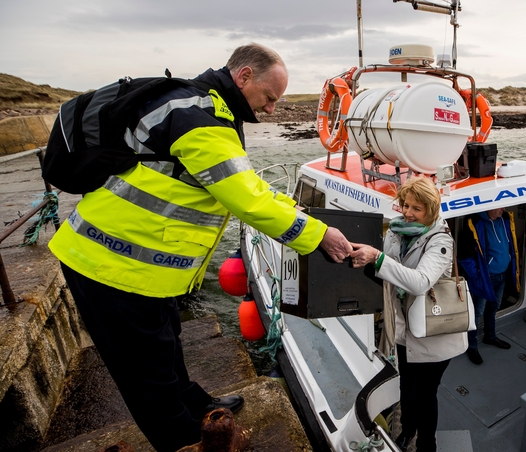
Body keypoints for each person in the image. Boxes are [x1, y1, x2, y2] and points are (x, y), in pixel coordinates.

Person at [48, 44, 352, 451]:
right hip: (109, 263)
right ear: (244, 77)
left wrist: (293, 210)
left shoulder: (207, 109)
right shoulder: (200, 117)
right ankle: (184, 438)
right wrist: (318, 235)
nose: (272, 110)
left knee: (168, 346)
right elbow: (246, 198)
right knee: (146, 373)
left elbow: (246, 184)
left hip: (145, 265)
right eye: (269, 97)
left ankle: (196, 404)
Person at [351, 176, 467, 452]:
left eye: (417, 208)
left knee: (426, 394)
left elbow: (419, 282)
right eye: (405, 205)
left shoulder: (440, 240)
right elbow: (389, 273)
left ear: (431, 210)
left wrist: (377, 259)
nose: (408, 212)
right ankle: (408, 432)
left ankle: (428, 444)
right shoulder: (395, 231)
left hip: (433, 334)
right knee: (406, 388)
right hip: (405, 331)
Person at [457, 207, 521, 365]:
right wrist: (477, 275)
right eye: (499, 207)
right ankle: (471, 345)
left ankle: (490, 336)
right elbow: (464, 256)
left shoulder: (505, 219)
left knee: (494, 306)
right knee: (477, 311)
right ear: (489, 208)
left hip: (502, 274)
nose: (503, 209)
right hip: (485, 277)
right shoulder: (475, 223)